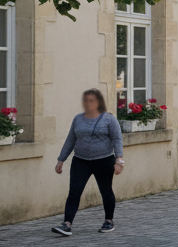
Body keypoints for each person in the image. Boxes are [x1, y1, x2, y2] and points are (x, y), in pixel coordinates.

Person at [52, 89, 124, 236]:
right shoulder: (78, 119)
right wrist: (61, 159)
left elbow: (117, 139)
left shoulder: (109, 119)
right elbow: (70, 139)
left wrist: (119, 160)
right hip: (80, 160)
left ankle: (108, 221)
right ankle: (67, 224)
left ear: (99, 102)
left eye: (91, 100)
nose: (88, 103)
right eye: (85, 100)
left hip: (103, 160)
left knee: (106, 191)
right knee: (74, 191)